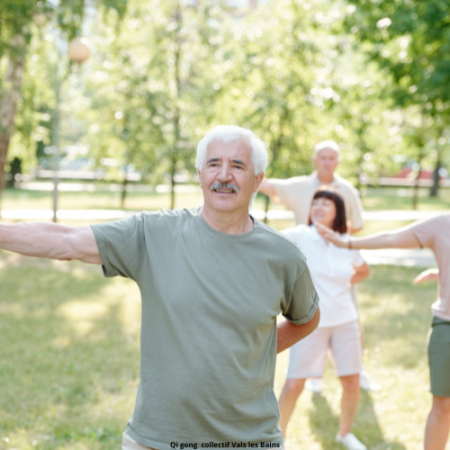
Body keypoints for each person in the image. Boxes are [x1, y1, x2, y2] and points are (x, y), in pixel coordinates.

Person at [0, 125, 320, 450]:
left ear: (257, 179)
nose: (224, 175)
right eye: (213, 164)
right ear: (199, 174)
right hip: (157, 440)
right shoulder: (154, 235)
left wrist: (252, 353)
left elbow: (307, 318)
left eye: (238, 166)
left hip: (250, 441)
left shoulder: (283, 256)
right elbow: (66, 240)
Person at [316, 214, 450, 450]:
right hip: (446, 325)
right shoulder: (442, 224)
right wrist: (346, 243)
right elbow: (392, 238)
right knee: (443, 406)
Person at [259, 140, 378, 392]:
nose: (327, 162)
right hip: (308, 263)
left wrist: (336, 240)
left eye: (332, 158)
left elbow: (356, 225)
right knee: (310, 319)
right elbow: (267, 185)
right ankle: (314, 375)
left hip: (338, 266)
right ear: (315, 160)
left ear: (338, 161)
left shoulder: (347, 189)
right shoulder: (299, 187)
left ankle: (356, 370)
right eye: (322, 157)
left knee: (349, 320)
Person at [279, 189, 370, 450]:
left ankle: (345, 434)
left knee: (351, 380)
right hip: (310, 322)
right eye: (315, 203)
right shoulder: (300, 235)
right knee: (295, 383)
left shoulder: (345, 240)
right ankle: (276, 438)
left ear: (338, 211)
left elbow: (363, 270)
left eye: (325, 204)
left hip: (345, 319)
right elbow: (266, 241)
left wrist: (341, 286)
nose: (318, 207)